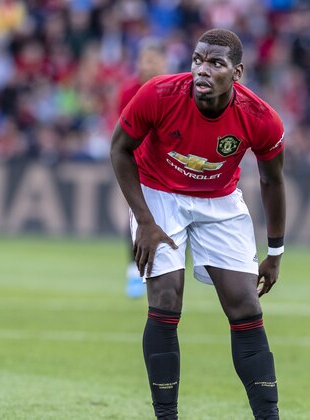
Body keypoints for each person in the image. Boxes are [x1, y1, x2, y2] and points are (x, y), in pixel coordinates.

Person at [110, 28, 285, 419]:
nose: (202, 70)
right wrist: (145, 220)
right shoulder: (158, 94)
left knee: (245, 306)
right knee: (167, 297)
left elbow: (272, 180)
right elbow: (119, 149)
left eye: (215, 63)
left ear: (236, 74)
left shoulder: (260, 118)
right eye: (197, 60)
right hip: (159, 193)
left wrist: (274, 251)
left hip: (219, 200)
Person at [115, 38, 168, 299]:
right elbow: (122, 132)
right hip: (139, 165)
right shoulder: (129, 91)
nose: (146, 66)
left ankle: (168, 269)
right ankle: (135, 271)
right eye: (143, 60)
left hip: (169, 166)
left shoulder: (173, 90)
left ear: (163, 63)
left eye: (151, 61)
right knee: (138, 217)